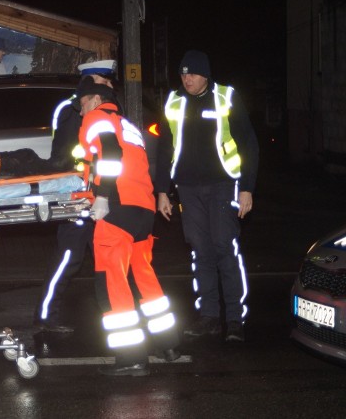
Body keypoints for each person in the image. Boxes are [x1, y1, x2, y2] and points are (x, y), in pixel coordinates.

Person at [77, 76, 180, 376]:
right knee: (145, 279)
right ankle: (169, 344)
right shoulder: (129, 125)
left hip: (117, 210)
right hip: (143, 211)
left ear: (95, 101)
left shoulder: (96, 118)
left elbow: (110, 155)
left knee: (112, 283)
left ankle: (131, 357)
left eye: (82, 104)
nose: (80, 112)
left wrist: (103, 197)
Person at [155, 50, 259, 342]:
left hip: (223, 185)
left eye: (192, 73)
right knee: (201, 250)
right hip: (187, 188)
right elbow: (164, 147)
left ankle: (235, 320)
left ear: (205, 75)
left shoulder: (226, 97)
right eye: (183, 74)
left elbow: (249, 143)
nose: (186, 79)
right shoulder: (174, 101)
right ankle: (209, 317)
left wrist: (248, 187)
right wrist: (162, 190)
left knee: (224, 247)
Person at [34, 60, 118, 333]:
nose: (110, 86)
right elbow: (67, 154)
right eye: (104, 81)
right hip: (78, 194)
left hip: (96, 193)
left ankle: (117, 310)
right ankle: (46, 316)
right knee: (69, 256)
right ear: (91, 81)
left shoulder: (100, 107)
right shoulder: (73, 109)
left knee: (108, 257)